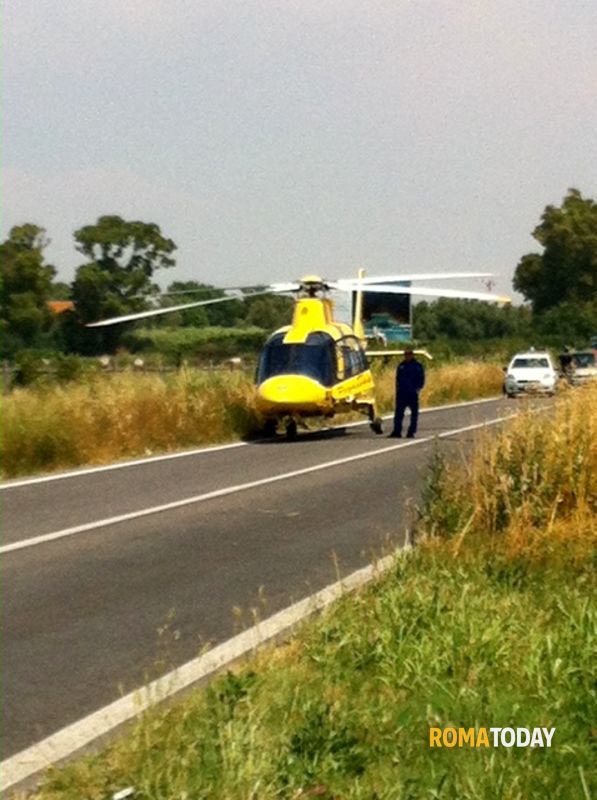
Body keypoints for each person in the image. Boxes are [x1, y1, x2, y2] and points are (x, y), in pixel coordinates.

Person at [388, 348, 425, 438]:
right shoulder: (401, 366)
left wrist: (417, 389)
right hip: (402, 393)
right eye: (405, 354)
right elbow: (398, 379)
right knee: (398, 414)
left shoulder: (417, 366)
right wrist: (397, 390)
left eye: (408, 354)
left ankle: (411, 432)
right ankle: (397, 431)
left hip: (412, 393)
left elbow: (421, 378)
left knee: (414, 414)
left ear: (412, 355)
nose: (407, 356)